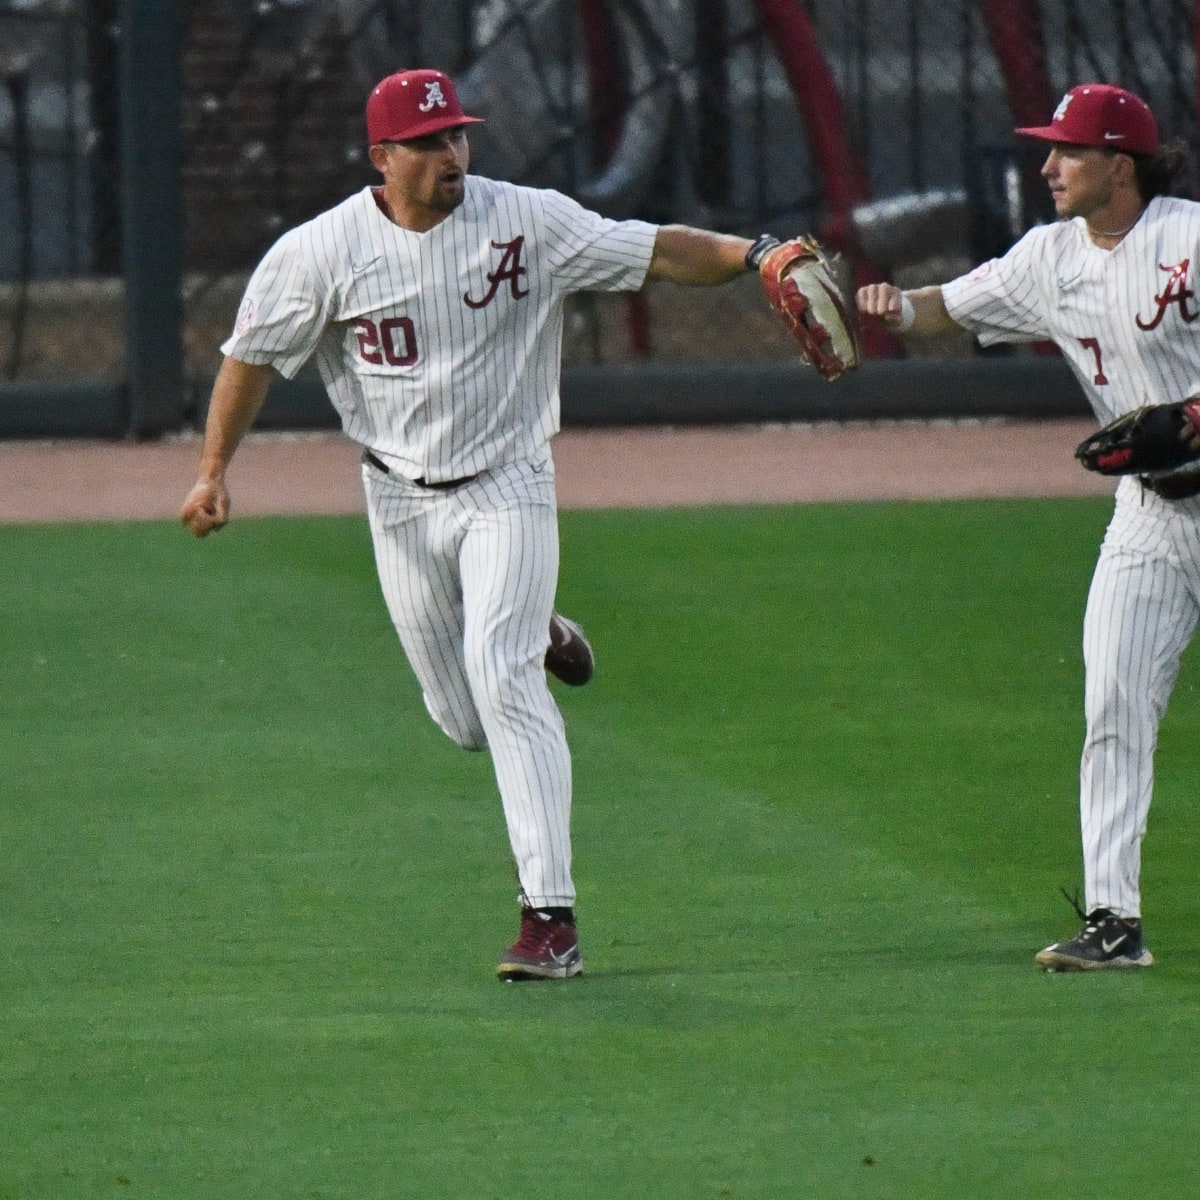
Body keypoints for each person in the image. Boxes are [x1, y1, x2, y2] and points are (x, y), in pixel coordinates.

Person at [180, 68, 780, 982]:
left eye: (458, 135)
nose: (452, 153)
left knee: (503, 683)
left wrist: (757, 254)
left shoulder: (527, 220)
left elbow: (655, 249)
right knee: (462, 720)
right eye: (428, 142)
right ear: (382, 158)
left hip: (508, 482)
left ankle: (551, 920)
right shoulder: (320, 252)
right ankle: (544, 626)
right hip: (398, 499)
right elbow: (250, 357)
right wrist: (213, 470)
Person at [857, 83, 1199, 971]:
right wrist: (888, 308)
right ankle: (1113, 921)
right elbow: (947, 307)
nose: (1047, 166)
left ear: (1118, 167)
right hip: (1152, 517)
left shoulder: (1190, 241)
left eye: (1068, 152)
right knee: (1113, 706)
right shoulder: (1049, 259)